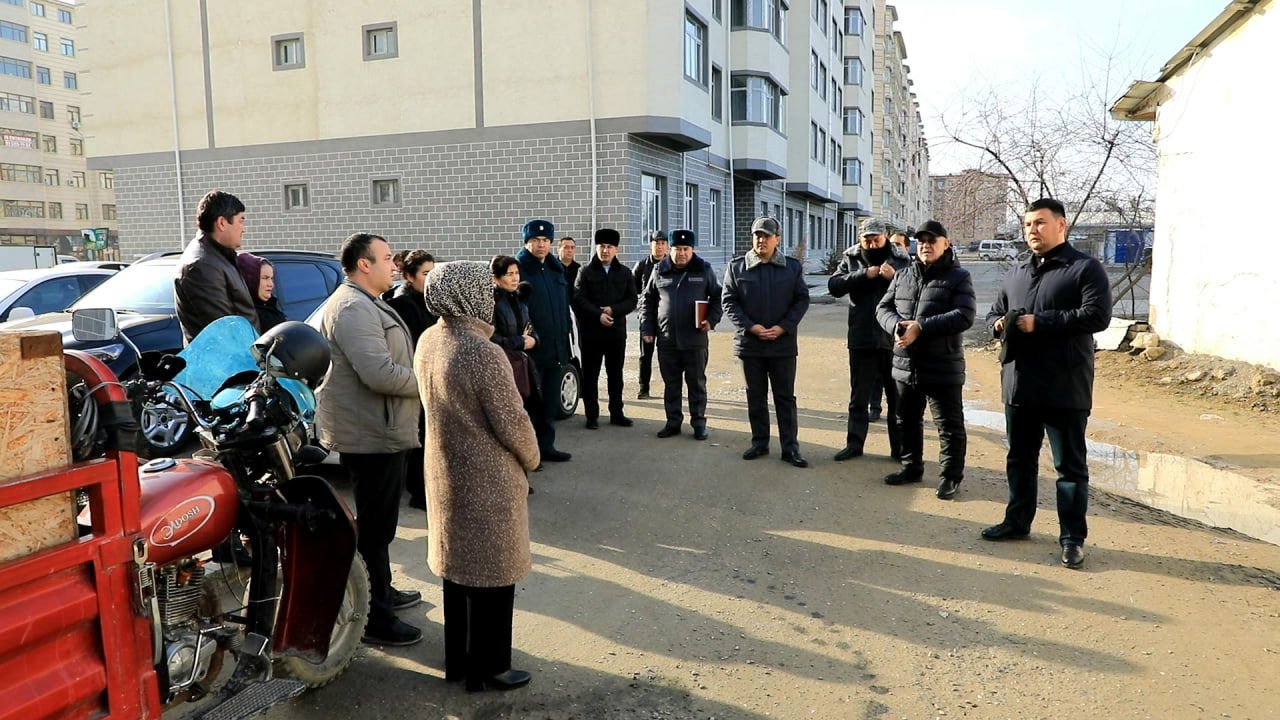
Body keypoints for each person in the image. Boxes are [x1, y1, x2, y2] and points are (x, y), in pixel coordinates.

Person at [416, 261, 539, 693]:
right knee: (492, 578)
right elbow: (513, 422)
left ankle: (459, 662)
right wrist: (533, 457)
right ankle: (491, 668)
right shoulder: (481, 352)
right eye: (482, 291)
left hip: (444, 471)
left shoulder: (429, 339)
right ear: (469, 295)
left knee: (457, 572)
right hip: (487, 478)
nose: (489, 297)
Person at [982, 198, 1112, 569]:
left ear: (1061, 225)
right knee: (1019, 458)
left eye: (1039, 223)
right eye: (1027, 225)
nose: (1032, 231)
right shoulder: (1018, 270)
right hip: (1019, 382)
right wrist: (998, 325)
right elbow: (994, 311)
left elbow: (1097, 315)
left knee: (1069, 467)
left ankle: (1072, 538)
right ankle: (1017, 521)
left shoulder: (1084, 269)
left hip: (1064, 384)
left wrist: (1042, 322)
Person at [315, 232, 423, 646]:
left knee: (381, 526)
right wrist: (428, 382)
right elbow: (379, 373)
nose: (393, 264)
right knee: (376, 530)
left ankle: (383, 592)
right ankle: (374, 616)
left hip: (381, 428)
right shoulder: (352, 307)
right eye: (386, 257)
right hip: (371, 434)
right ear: (365, 264)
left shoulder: (367, 302)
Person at [876, 220, 976, 500]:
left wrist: (923, 326)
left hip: (942, 364)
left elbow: (964, 315)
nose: (926, 245)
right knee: (906, 419)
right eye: (921, 241)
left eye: (932, 240)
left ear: (946, 244)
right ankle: (911, 467)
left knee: (949, 426)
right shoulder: (903, 275)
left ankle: (950, 477)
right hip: (905, 364)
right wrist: (895, 325)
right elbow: (883, 307)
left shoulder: (959, 277)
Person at [721, 216, 811, 468]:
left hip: (782, 345)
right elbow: (729, 301)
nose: (761, 240)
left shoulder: (791, 267)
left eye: (767, 236)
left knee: (785, 397)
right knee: (756, 396)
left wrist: (783, 327)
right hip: (751, 344)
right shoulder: (737, 267)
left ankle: (790, 448)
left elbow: (801, 300)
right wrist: (752, 327)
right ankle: (760, 443)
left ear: (777, 239)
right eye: (757, 235)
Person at [827, 218, 910, 463]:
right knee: (859, 397)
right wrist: (865, 274)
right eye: (867, 240)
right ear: (859, 239)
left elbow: (914, 291)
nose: (872, 245)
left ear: (885, 238)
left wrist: (892, 276)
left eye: (876, 240)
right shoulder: (851, 258)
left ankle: (899, 449)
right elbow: (834, 286)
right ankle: (854, 444)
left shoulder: (902, 259)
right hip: (861, 336)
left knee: (897, 399)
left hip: (894, 338)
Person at [639, 229, 721, 440]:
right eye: (677, 249)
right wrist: (647, 329)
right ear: (670, 249)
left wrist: (711, 320)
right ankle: (673, 422)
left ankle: (699, 424)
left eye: (686, 249)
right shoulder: (660, 271)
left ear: (692, 250)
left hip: (695, 340)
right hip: (667, 340)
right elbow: (647, 302)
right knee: (671, 384)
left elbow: (718, 297)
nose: (682, 253)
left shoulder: (704, 269)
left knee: (696, 385)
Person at [515, 219, 572, 462]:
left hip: (555, 346)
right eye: (535, 240)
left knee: (549, 402)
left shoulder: (555, 268)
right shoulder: (517, 268)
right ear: (527, 242)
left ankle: (546, 447)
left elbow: (562, 306)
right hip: (530, 349)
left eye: (546, 240)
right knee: (529, 405)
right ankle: (528, 453)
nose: (541, 245)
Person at [386, 249, 439, 511]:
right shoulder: (405, 303)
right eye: (425, 273)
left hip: (427, 374)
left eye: (433, 273)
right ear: (408, 276)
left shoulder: (426, 299)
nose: (430, 279)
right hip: (414, 376)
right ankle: (418, 492)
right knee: (419, 437)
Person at [571, 228, 637, 429]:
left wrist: (613, 310)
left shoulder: (625, 273)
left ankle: (616, 413)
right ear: (596, 247)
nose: (605, 251)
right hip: (591, 333)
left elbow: (632, 300)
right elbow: (579, 299)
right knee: (590, 375)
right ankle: (592, 416)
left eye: (609, 247)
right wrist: (598, 315)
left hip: (616, 334)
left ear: (616, 249)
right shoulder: (585, 271)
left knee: (615, 375)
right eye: (602, 247)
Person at [174, 190, 257, 343]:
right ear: (222, 223)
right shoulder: (202, 265)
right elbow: (224, 330)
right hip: (227, 364)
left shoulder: (218, 256)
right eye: (241, 220)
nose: (243, 228)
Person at [490, 254, 541, 473]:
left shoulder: (520, 300)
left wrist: (534, 340)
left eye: (517, 273)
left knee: (527, 416)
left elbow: (530, 328)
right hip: (504, 366)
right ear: (496, 278)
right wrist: (520, 341)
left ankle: (526, 465)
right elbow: (492, 337)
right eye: (509, 274)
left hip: (524, 365)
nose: (514, 278)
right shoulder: (491, 303)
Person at [632, 230, 670, 399]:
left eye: (663, 243)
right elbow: (632, 288)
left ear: (667, 246)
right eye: (657, 243)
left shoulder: (671, 265)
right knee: (645, 355)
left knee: (668, 356)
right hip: (647, 317)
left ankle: (671, 388)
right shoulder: (642, 265)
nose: (660, 247)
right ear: (651, 245)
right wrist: (640, 304)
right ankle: (644, 388)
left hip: (666, 318)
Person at [235, 253, 287, 331]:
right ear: (250, 280)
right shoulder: (245, 313)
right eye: (265, 278)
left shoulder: (271, 307)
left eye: (271, 278)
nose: (271, 284)